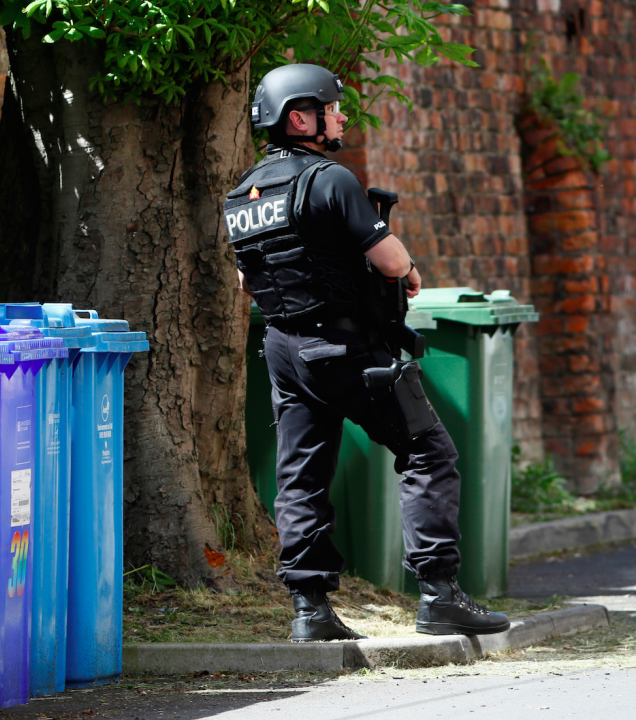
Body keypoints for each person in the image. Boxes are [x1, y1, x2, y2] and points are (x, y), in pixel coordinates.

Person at [225, 64, 510, 642]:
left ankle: (310, 611)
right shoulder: (331, 179)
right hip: (345, 346)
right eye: (332, 107)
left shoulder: (242, 195)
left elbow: (246, 285)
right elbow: (389, 260)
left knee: (300, 473)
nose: (342, 116)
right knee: (428, 452)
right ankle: (439, 595)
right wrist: (405, 269)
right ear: (299, 116)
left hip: (283, 347)